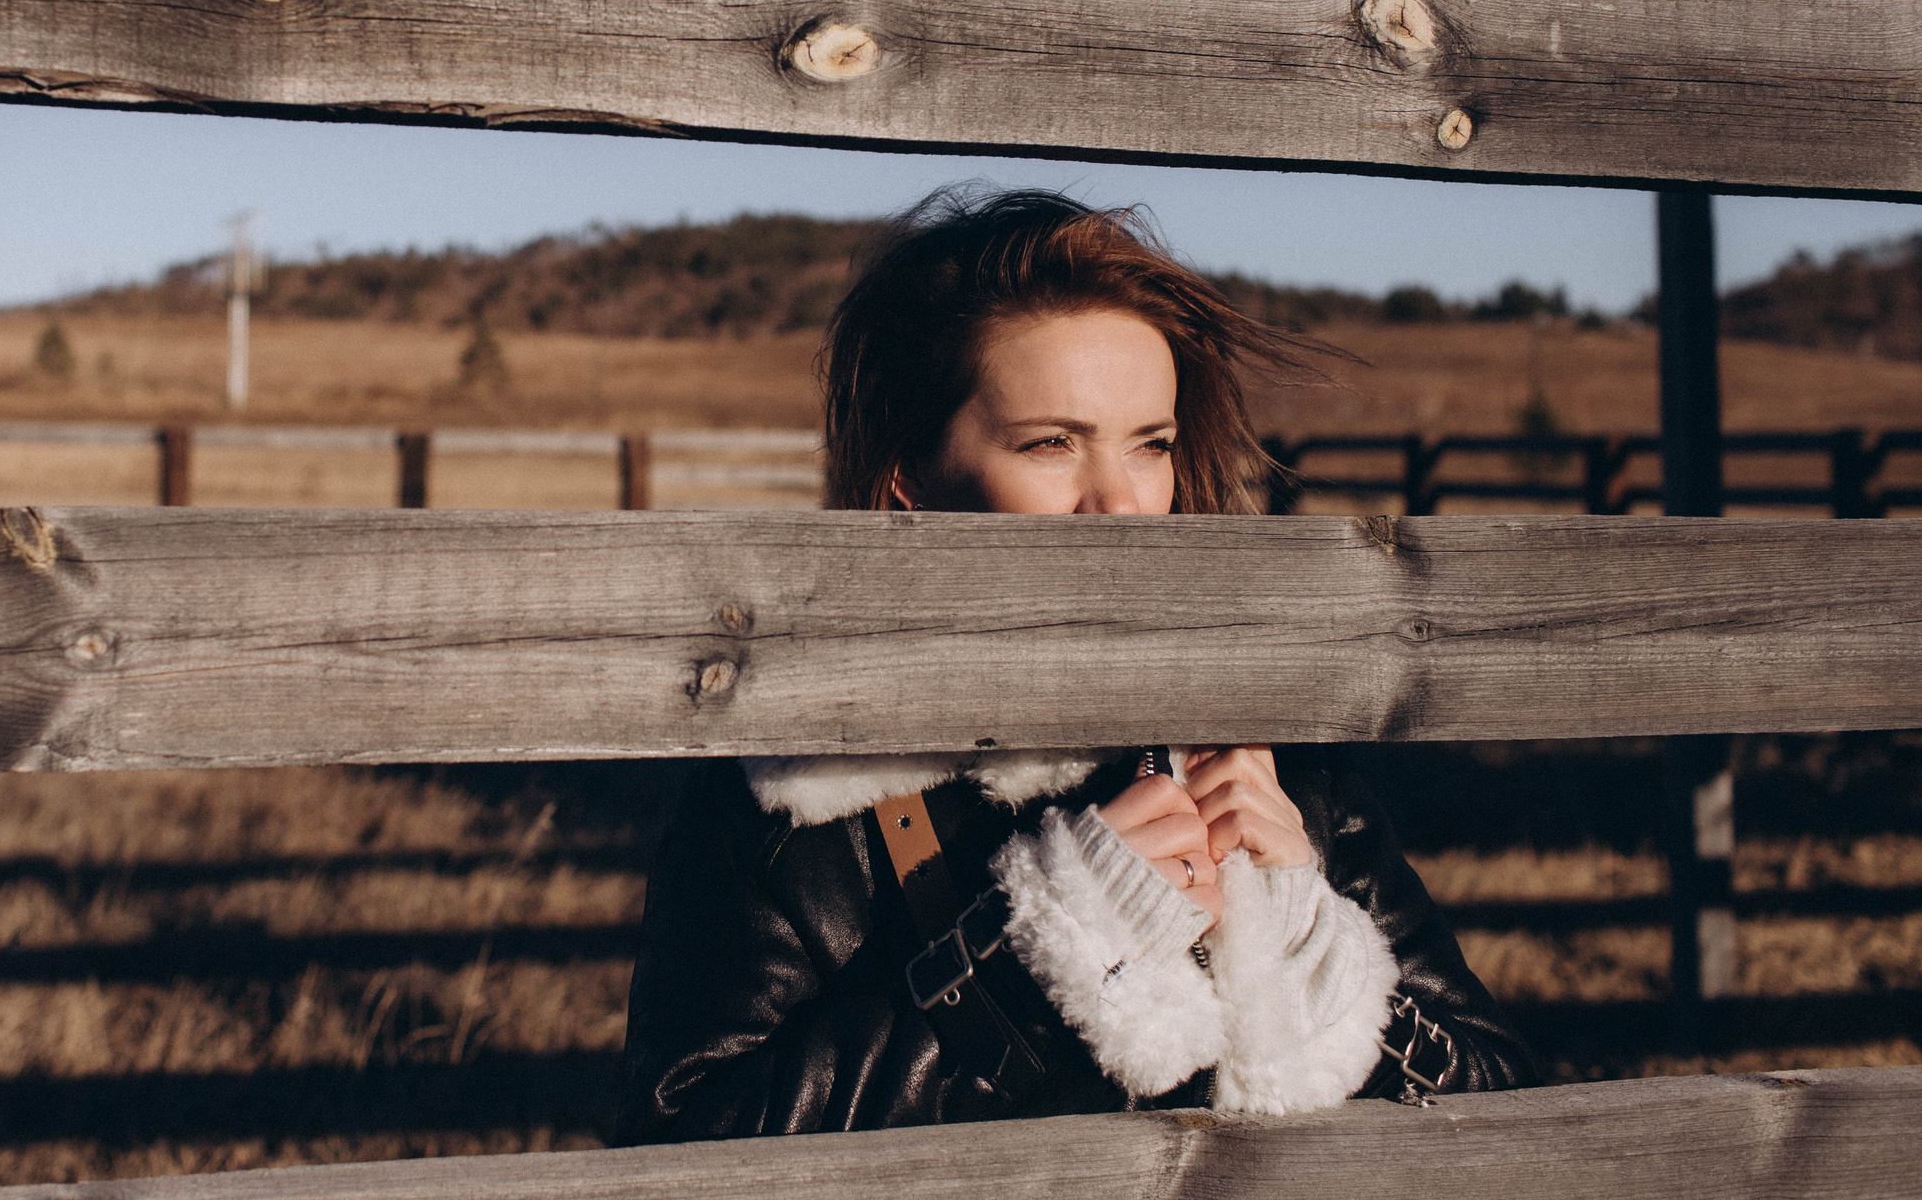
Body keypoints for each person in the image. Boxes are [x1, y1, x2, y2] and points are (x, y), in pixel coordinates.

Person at [616, 188, 1536, 1139]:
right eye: (1052, 443)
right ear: (909, 480)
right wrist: (1039, 954)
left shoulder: (1264, 755)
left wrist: (1303, 941)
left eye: (1153, 445)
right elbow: (683, 1147)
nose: (1122, 503)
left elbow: (1500, 1106)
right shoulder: (795, 801)